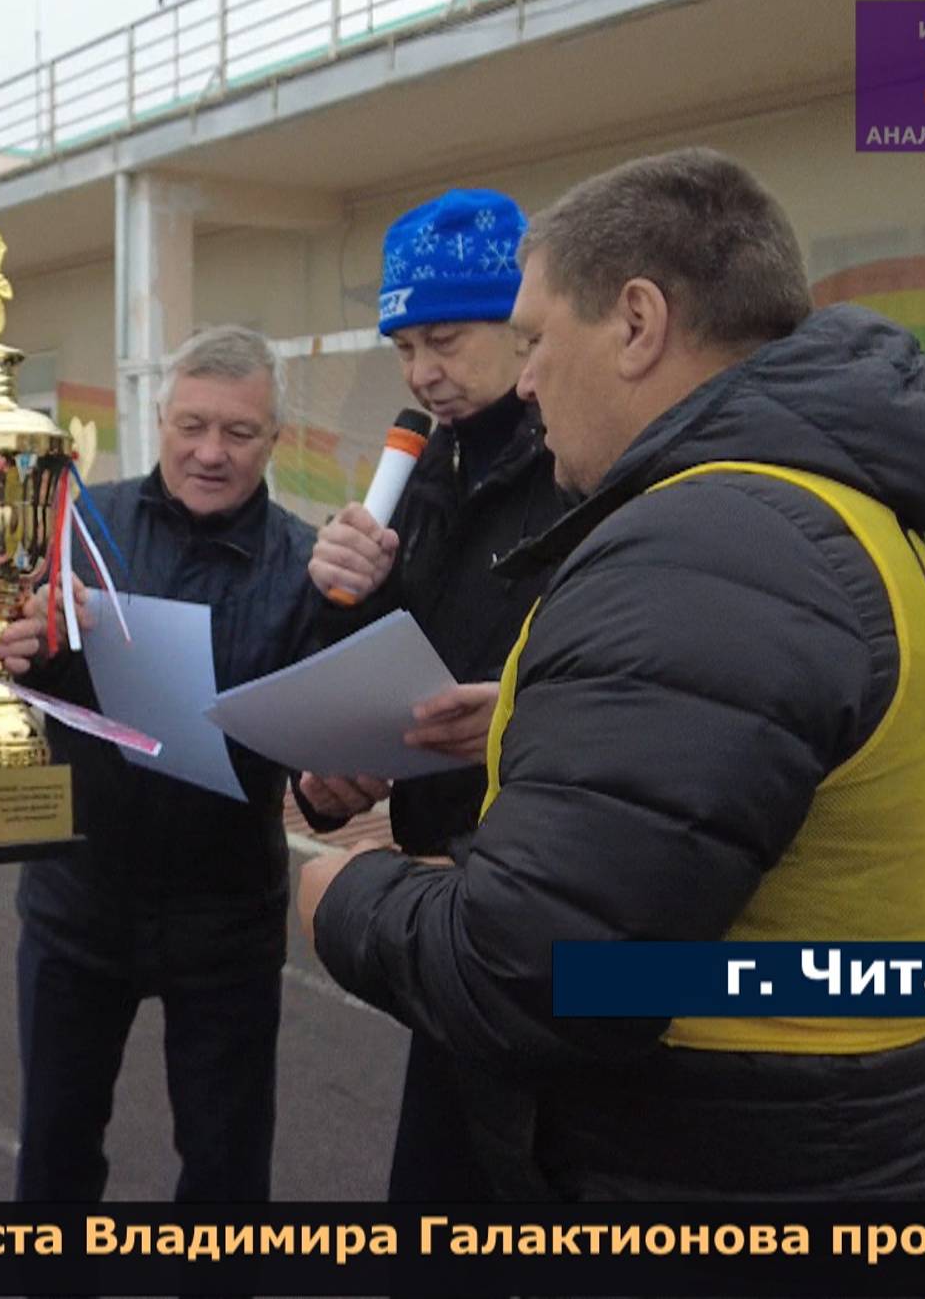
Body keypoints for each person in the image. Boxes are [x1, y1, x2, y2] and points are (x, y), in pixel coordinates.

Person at [299, 147, 925, 1200]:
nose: (527, 381)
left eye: (533, 340)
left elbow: (539, 977)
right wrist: (529, 727)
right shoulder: (810, 503)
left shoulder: (715, 539)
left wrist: (343, 893)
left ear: (636, 322)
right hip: (815, 1141)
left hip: (728, 1159)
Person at [0, 325, 322, 1204]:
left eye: (238, 434)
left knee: (224, 1167)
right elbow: (35, 667)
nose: (210, 453)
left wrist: (329, 783)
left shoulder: (306, 566)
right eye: (191, 427)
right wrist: (22, 654)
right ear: (160, 421)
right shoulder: (81, 523)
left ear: (273, 441)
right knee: (57, 1154)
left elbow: (322, 747)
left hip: (227, 922)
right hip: (77, 905)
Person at [298, 188, 570, 1203]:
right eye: (405, 346)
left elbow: (628, 682)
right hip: (444, 891)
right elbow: (394, 661)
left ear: (528, 323)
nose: (421, 373)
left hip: (547, 891)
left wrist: (515, 718)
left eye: (445, 339)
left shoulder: (587, 469)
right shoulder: (421, 471)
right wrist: (341, 609)